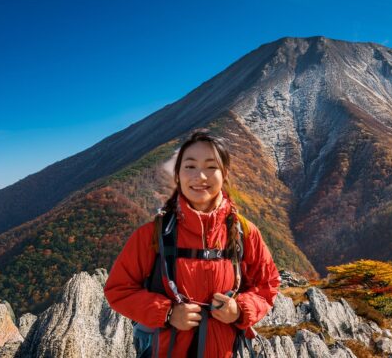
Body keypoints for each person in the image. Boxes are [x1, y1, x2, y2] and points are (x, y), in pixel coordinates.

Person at [104, 130, 280, 357]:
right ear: (177, 175)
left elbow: (268, 284)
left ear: (224, 173)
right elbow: (118, 290)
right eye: (190, 166)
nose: (201, 176)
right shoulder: (152, 235)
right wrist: (167, 312)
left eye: (210, 166)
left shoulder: (244, 233)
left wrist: (239, 310)